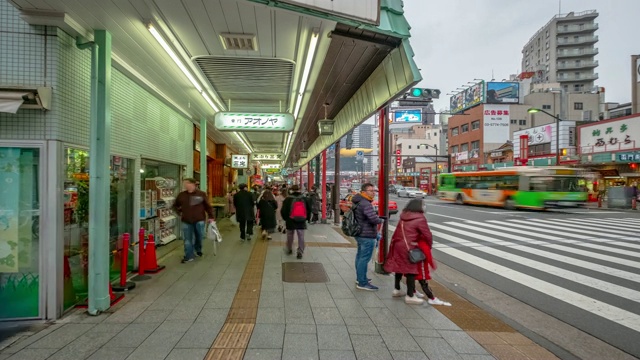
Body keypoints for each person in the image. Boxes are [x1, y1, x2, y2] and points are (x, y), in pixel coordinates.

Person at [385, 199, 450, 306]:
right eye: (423, 205)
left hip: (398, 245)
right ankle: (410, 296)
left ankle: (397, 289)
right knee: (411, 270)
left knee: (400, 268)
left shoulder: (404, 216)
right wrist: (428, 246)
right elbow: (427, 235)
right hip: (410, 247)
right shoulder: (420, 218)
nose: (424, 207)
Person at [172, 178, 214, 263]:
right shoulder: (182, 195)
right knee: (187, 239)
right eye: (184, 183)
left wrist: (211, 217)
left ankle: (198, 249)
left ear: (193, 184)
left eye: (187, 183)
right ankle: (189, 256)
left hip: (199, 220)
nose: (185, 185)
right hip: (186, 220)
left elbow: (207, 206)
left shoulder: (201, 194)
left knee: (199, 236)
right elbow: (175, 205)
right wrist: (180, 212)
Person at [352, 183, 384, 291]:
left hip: (360, 233)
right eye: (371, 191)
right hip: (367, 235)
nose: (373, 193)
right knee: (364, 259)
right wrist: (380, 220)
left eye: (374, 190)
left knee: (360, 257)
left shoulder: (358, 201)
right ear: (364, 192)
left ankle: (360, 278)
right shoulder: (365, 203)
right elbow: (373, 219)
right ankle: (362, 282)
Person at [281, 184, 311, 259]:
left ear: (291, 190)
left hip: (290, 220)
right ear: (299, 189)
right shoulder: (304, 198)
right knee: (301, 235)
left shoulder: (288, 199)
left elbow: (283, 210)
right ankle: (300, 251)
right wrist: (307, 218)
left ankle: (289, 249)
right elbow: (309, 209)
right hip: (301, 220)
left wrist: (286, 219)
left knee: (290, 235)